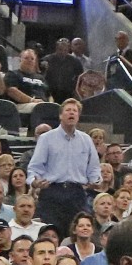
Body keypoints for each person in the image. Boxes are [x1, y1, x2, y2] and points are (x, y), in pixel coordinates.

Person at [26, 99, 102, 239]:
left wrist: (95, 180)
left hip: (76, 194)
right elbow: (35, 167)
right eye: (68, 110)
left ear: (78, 116)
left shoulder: (86, 140)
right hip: (52, 193)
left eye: (75, 111)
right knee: (51, 236)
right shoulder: (46, 138)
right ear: (61, 115)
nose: (71, 113)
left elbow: (94, 167)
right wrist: (34, 182)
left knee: (77, 235)